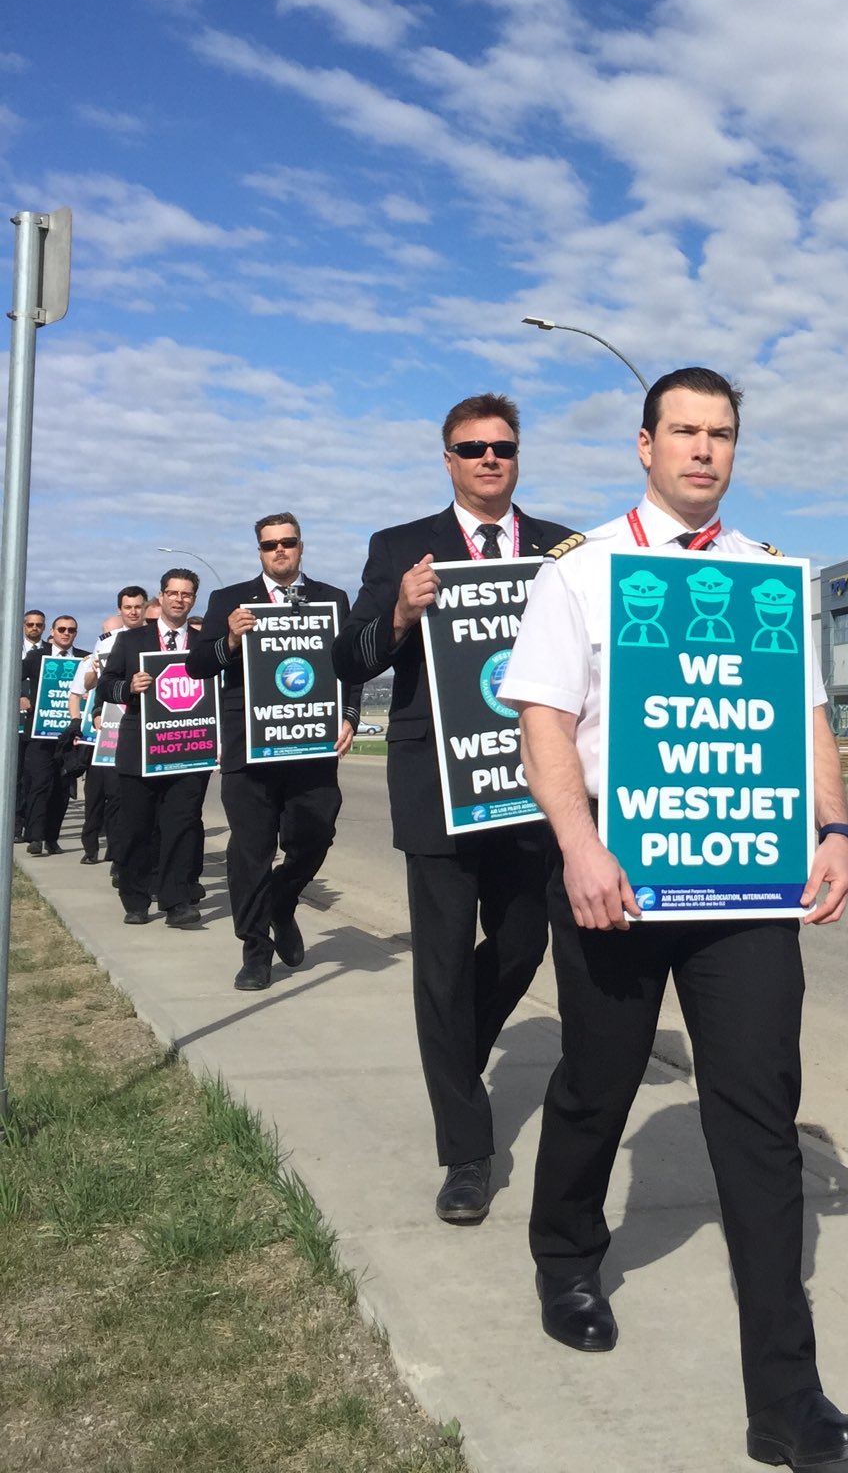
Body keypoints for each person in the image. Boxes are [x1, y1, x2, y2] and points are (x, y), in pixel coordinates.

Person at [504, 366, 848, 1473]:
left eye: (721, 434)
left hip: (745, 895)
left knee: (760, 1123)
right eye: (685, 431)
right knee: (597, 1082)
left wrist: (837, 828)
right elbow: (544, 718)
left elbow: (806, 714)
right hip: (616, 881)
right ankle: (566, 1251)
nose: (704, 450)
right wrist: (578, 844)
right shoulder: (582, 573)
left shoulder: (767, 579)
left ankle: (787, 1394)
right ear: (644, 443)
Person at [333, 394, 577, 1224]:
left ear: (518, 455)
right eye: (471, 448)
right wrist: (401, 610)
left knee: (519, 946)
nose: (488, 460)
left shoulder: (561, 549)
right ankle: (466, 1153)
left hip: (528, 787)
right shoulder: (401, 547)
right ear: (447, 459)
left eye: (501, 447)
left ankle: (455, 1060)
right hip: (437, 784)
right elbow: (350, 657)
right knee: (440, 967)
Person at [188, 514, 362, 991]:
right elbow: (198, 665)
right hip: (250, 748)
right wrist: (228, 640)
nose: (279, 551)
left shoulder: (332, 599)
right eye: (270, 545)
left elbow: (349, 665)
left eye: (287, 543)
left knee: (316, 833)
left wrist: (348, 715)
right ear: (259, 552)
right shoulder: (229, 600)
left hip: (310, 747)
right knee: (251, 851)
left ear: (301, 546)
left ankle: (284, 901)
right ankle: (255, 949)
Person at [99, 568, 210, 929]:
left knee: (181, 826)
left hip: (188, 747)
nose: (180, 599)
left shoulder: (202, 642)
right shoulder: (132, 640)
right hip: (140, 749)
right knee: (136, 828)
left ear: (194, 599)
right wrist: (129, 687)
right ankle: (135, 898)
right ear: (160, 597)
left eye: (187, 594)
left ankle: (176, 901)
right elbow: (106, 685)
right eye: (173, 593)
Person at [18, 614, 83, 853]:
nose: (66, 633)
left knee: (61, 790)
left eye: (71, 630)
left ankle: (52, 837)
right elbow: (11, 676)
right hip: (39, 734)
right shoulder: (36, 658)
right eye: (62, 629)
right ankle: (35, 837)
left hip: (69, 738)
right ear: (52, 632)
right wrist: (20, 696)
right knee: (39, 784)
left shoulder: (84, 659)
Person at [69, 610, 128, 862]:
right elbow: (84, 688)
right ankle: (90, 847)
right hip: (95, 740)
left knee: (116, 797)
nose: (110, 637)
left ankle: (115, 850)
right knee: (94, 796)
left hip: (120, 737)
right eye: (106, 633)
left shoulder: (131, 660)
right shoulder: (91, 661)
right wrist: (95, 668)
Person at [14, 608, 46, 840]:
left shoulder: (47, 653)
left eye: (39, 625)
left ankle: (32, 828)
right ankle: (15, 825)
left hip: (36, 724)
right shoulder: (11, 649)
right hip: (13, 724)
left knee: (32, 777)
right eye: (30, 624)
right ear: (23, 626)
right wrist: (16, 696)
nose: (34, 628)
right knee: (14, 777)